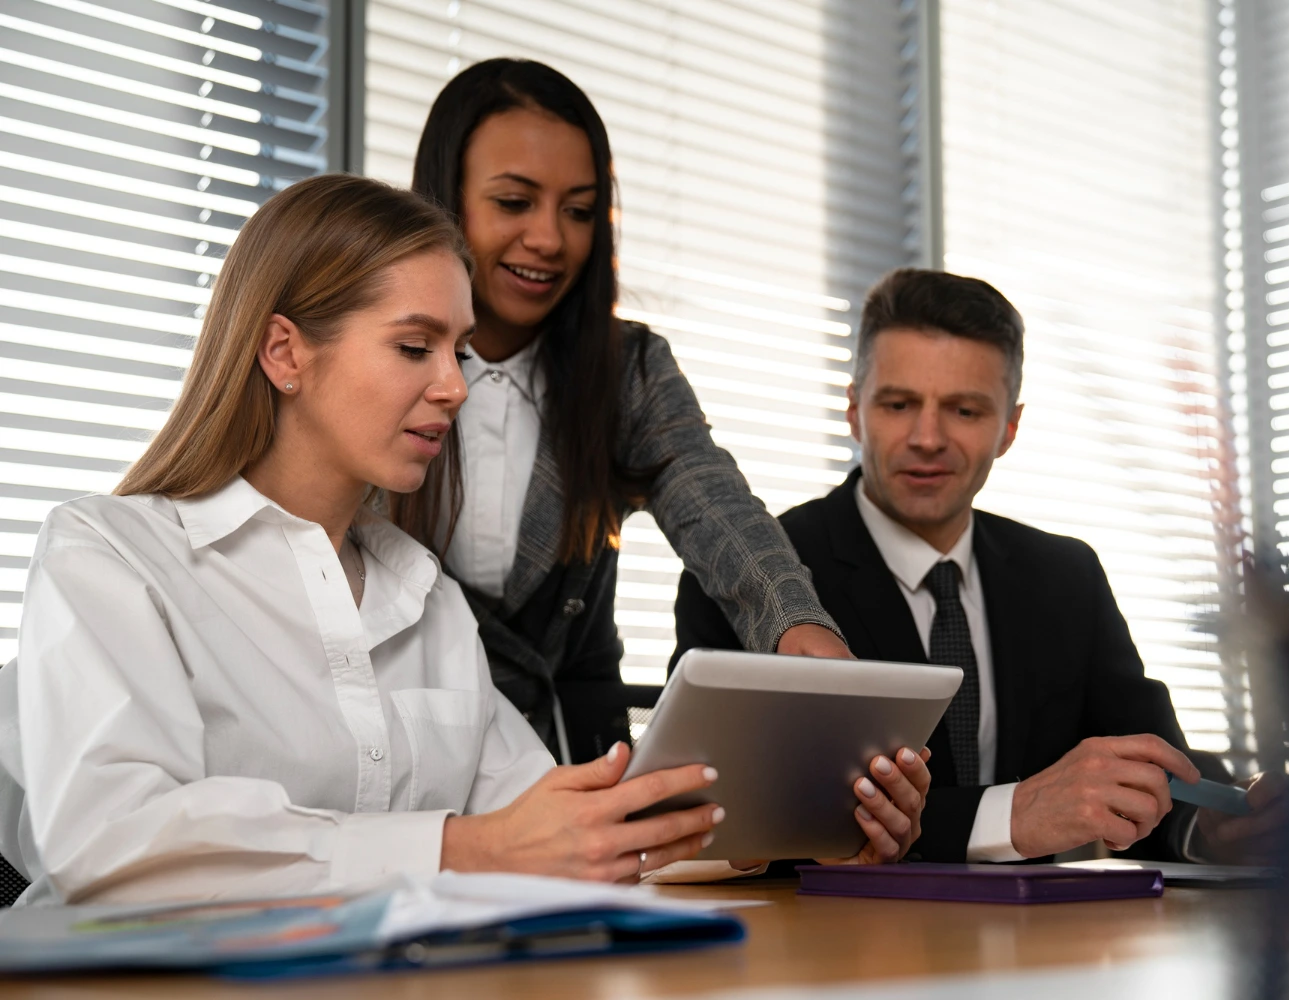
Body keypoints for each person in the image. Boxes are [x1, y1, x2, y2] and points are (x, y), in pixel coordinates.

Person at [0, 176, 927, 904]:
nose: (456, 385)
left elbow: (548, 831)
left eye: (459, 350)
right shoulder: (109, 557)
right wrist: (460, 849)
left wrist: (805, 815)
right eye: (415, 348)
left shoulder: (425, 600)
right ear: (284, 352)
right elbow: (109, 844)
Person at [674, 268, 1285, 865]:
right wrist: (1012, 814)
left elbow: (1152, 775)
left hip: (1037, 946)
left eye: (965, 410)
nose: (928, 437)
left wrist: (1213, 825)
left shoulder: (1065, 575)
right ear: (854, 410)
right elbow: (734, 819)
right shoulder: (751, 574)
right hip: (833, 946)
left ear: (1010, 427)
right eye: (898, 404)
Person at [406, 59, 849, 763]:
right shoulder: (371, 351)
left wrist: (798, 629)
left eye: (579, 211)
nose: (550, 239)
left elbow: (714, 505)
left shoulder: (627, 369)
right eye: (515, 203)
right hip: (400, 755)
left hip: (567, 763)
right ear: (446, 197)